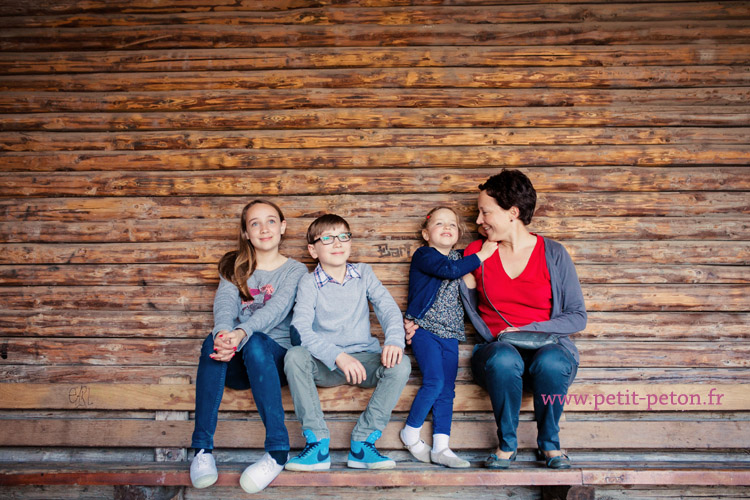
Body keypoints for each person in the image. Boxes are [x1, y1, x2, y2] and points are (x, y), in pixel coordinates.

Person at [189, 200, 307, 493]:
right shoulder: (234, 266)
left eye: (270, 221)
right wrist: (224, 335)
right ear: (245, 232)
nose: (263, 228)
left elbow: (277, 310)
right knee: (211, 340)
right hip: (236, 362)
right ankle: (202, 450)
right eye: (254, 223)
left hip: (273, 365)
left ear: (283, 228)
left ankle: (278, 451)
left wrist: (241, 332)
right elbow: (225, 305)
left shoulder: (295, 271)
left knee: (255, 340)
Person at [284, 214, 411, 471]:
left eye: (343, 236)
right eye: (327, 238)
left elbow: (387, 308)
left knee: (401, 364)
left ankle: (363, 444)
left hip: (364, 361)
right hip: (326, 364)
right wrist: (337, 356)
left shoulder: (363, 273)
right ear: (313, 249)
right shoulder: (309, 283)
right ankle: (317, 443)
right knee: (294, 356)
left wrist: (395, 340)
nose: (337, 243)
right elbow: (300, 328)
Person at [399, 207, 498, 468]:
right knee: (434, 381)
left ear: (458, 233)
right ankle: (410, 431)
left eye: (452, 225)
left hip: (451, 334)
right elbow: (448, 270)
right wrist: (482, 255)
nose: (446, 227)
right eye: (439, 223)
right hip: (425, 330)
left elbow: (469, 285)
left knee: (447, 389)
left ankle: (441, 447)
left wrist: (472, 269)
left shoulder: (459, 258)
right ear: (425, 234)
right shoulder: (425, 255)